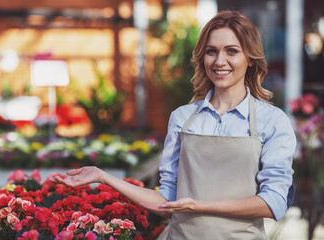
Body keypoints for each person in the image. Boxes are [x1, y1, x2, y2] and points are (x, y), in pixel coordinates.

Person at [53, 10, 296, 239]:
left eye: (232, 51)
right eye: (211, 51)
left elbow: (273, 202)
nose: (220, 61)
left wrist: (198, 206)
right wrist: (103, 176)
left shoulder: (272, 121)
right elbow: (166, 200)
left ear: (251, 59)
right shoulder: (182, 118)